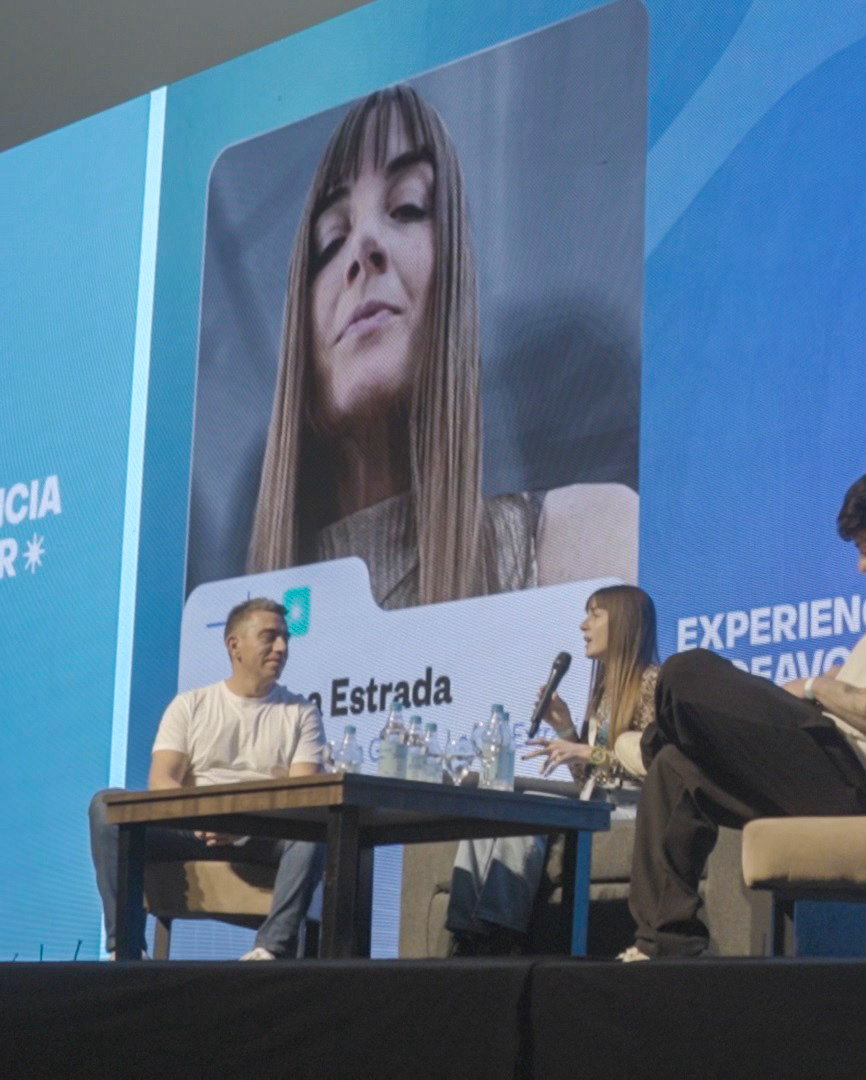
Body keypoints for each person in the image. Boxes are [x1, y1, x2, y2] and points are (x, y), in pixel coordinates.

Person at [247, 83, 636, 609]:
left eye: (407, 207)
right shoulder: (226, 629)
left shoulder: (587, 549)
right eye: (331, 240)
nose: (362, 247)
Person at [622, 467, 866, 960]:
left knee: (685, 671)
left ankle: (649, 741)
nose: (862, 566)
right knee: (675, 769)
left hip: (858, 784)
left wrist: (819, 686)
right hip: (839, 770)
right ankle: (662, 946)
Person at [87, 598, 327, 960]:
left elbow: (302, 798)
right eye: (269, 637)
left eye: (285, 638)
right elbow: (162, 779)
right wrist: (203, 818)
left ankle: (270, 949)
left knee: (312, 834)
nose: (281, 647)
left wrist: (244, 824)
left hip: (262, 832)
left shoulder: (302, 713)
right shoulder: (191, 705)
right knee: (106, 806)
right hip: (192, 828)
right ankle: (126, 949)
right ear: (234, 645)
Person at [444, 585, 658, 955]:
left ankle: (499, 934)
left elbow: (660, 765)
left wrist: (588, 750)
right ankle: (466, 931)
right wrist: (566, 729)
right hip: (601, 802)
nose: (583, 625)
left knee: (533, 806)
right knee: (499, 800)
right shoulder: (604, 693)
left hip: (636, 807)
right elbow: (590, 781)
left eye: (595, 615)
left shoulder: (653, 682)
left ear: (623, 624)